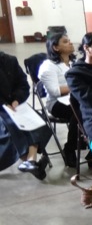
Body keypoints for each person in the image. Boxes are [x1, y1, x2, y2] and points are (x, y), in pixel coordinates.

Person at [0, 51, 52, 179]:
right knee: (11, 126)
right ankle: (30, 161)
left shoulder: (10, 60)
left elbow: (23, 84)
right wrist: (3, 104)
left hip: (14, 104)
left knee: (37, 121)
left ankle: (30, 161)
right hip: (2, 107)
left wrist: (16, 99)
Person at [39, 33, 79, 167]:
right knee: (79, 113)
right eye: (65, 41)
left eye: (69, 40)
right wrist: (78, 87)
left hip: (76, 99)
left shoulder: (75, 63)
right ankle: (70, 148)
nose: (70, 43)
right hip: (57, 103)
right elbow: (55, 91)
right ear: (55, 47)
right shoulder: (48, 65)